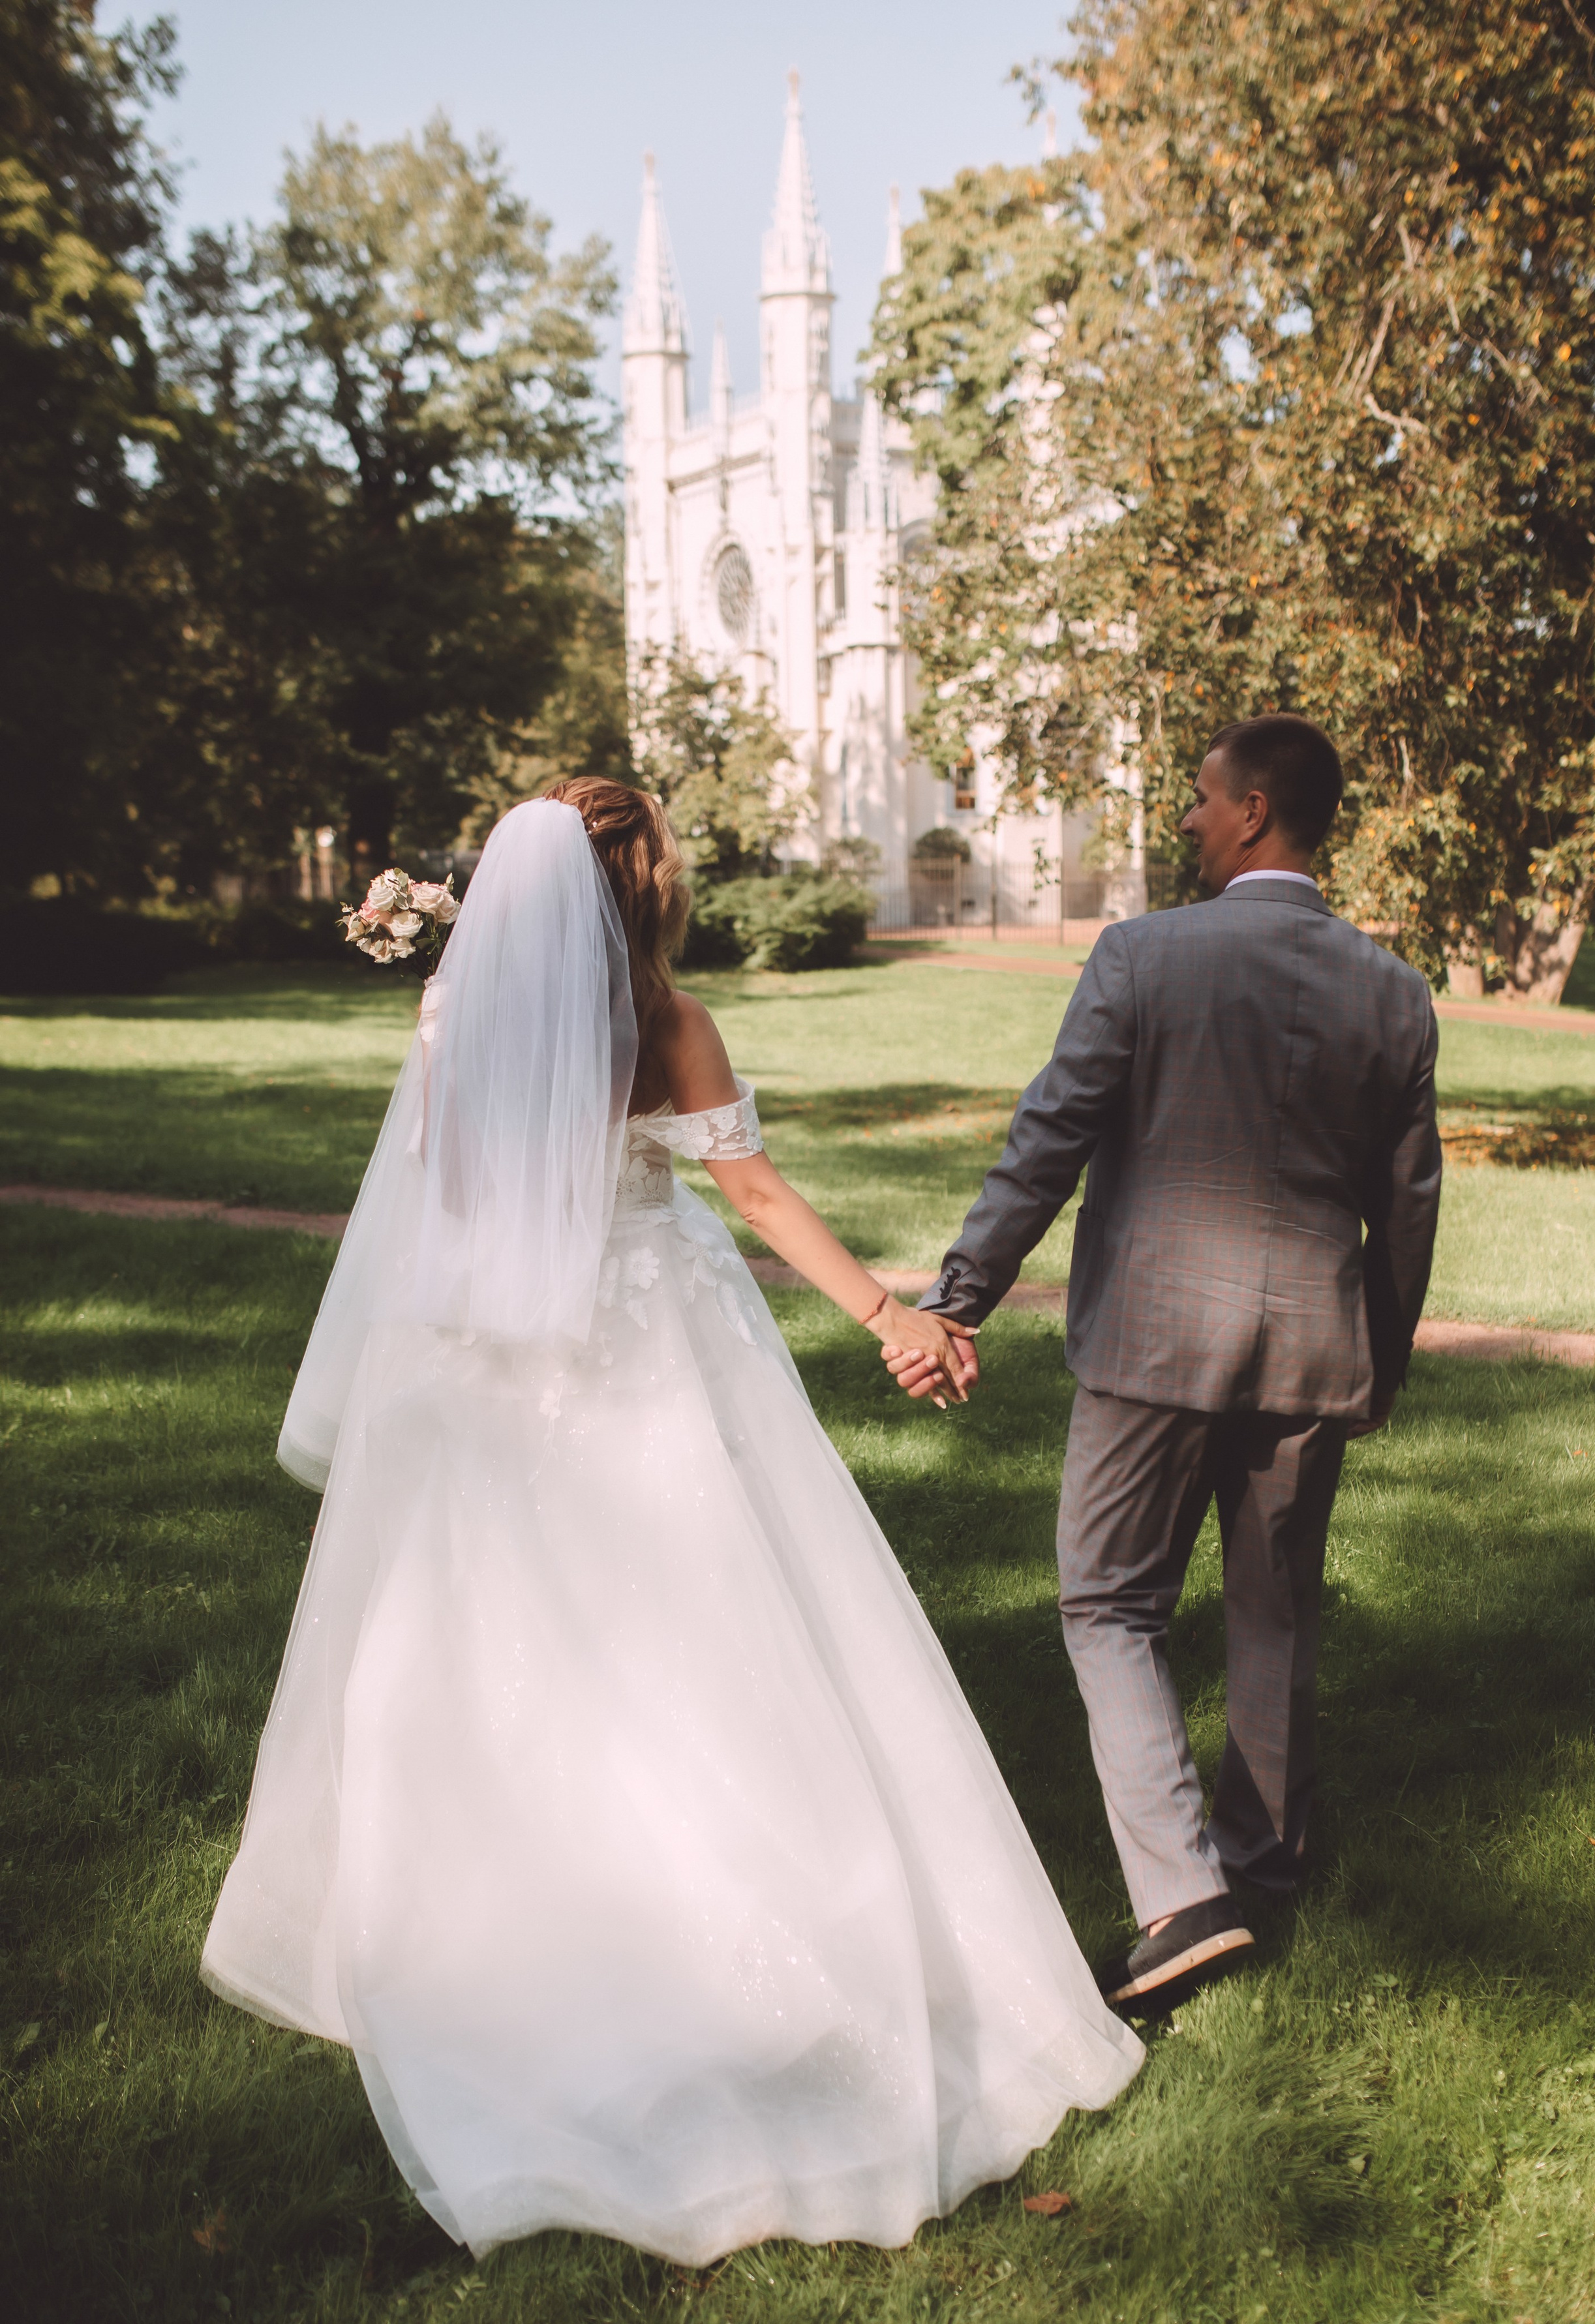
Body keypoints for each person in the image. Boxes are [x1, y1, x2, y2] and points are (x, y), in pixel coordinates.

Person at [200, 779, 1142, 2265]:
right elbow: (754, 1194)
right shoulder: (669, 1022)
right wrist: (891, 1313)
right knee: (698, 1626)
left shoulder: (454, 1017)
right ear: (638, 886)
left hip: (489, 1364)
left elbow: (448, 1185)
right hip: (646, 1345)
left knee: (495, 1637)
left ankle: (498, 1921)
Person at [890, 716, 1442, 2010]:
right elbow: (1404, 1203)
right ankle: (1264, 1866)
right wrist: (1380, 1358)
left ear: (1251, 811)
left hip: (1149, 1345)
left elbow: (1048, 1140)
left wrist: (956, 1297)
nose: (1185, 821)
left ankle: (1181, 1898)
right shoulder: (1391, 990)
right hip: (1311, 1348)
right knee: (1274, 1609)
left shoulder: (1143, 955)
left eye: (1198, 801)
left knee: (1105, 1605)